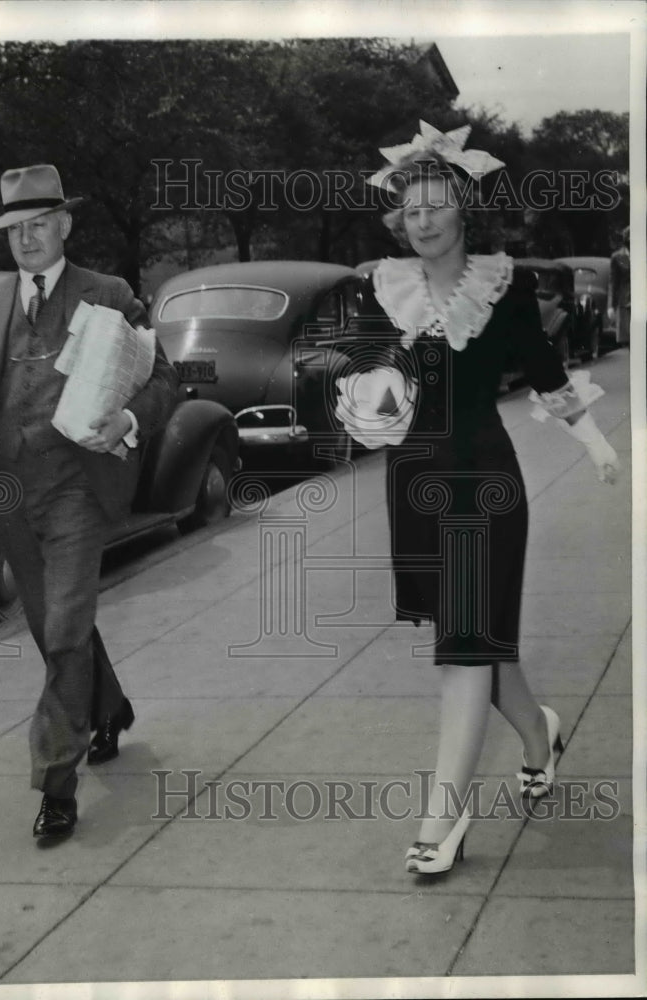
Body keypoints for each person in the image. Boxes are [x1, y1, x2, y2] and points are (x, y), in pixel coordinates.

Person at [338, 122, 619, 874]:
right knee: (480, 641)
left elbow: (545, 371)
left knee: (463, 649)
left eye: (437, 204)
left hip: (484, 482)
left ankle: (445, 817)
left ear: (464, 208)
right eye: (411, 207)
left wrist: (594, 442)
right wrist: (368, 407)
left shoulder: (506, 284)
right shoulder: (383, 286)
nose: (423, 219)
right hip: (413, 484)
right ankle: (541, 734)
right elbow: (369, 381)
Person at [0, 164, 179, 841]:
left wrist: (130, 420)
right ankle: (109, 708)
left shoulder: (108, 293)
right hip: (4, 491)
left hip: (76, 489)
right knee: (53, 625)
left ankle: (57, 785)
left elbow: (164, 376)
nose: (27, 238)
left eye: (39, 224)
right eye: (14, 229)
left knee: (62, 629)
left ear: (64, 224)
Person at [608, 226, 630, 345]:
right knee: (629, 339)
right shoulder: (617, 257)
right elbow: (613, 282)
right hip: (625, 302)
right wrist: (611, 306)